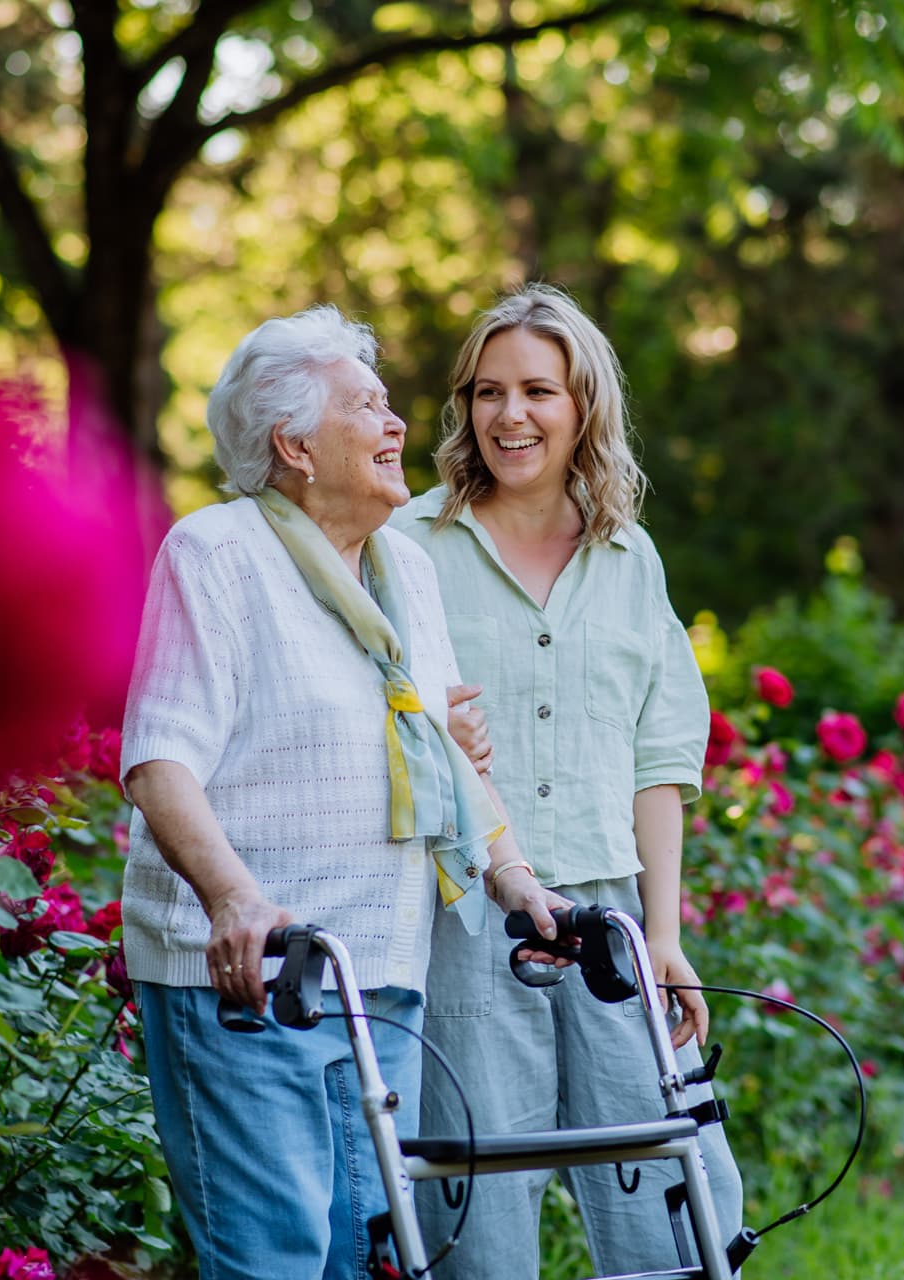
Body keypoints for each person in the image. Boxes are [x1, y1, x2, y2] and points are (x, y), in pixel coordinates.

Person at [119, 304, 564, 1280]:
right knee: (277, 1257)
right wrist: (233, 895)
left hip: (379, 979)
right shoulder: (219, 554)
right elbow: (160, 757)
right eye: (367, 406)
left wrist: (515, 876)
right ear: (294, 444)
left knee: (372, 1260)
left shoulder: (403, 565)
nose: (399, 424)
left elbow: (444, 751)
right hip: (250, 980)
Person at [392, 284, 743, 1279]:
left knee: (673, 1199)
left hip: (610, 921)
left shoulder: (630, 558)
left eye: (539, 390)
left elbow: (661, 759)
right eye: (488, 391)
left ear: (584, 403)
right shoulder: (409, 547)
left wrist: (663, 933)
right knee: (475, 1205)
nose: (511, 415)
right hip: (466, 919)